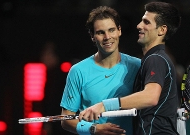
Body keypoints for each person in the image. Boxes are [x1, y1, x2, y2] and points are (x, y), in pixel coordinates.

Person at [79, 2, 181, 135]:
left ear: (162, 30)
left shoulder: (155, 59)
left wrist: (104, 105)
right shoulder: (156, 59)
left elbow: (151, 97)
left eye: (146, 22)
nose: (139, 26)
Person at [59, 6, 141, 135]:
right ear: (92, 36)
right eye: (100, 32)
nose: (107, 37)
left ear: (119, 31)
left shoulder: (138, 66)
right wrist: (94, 129)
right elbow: (66, 120)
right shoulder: (78, 71)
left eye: (111, 30)